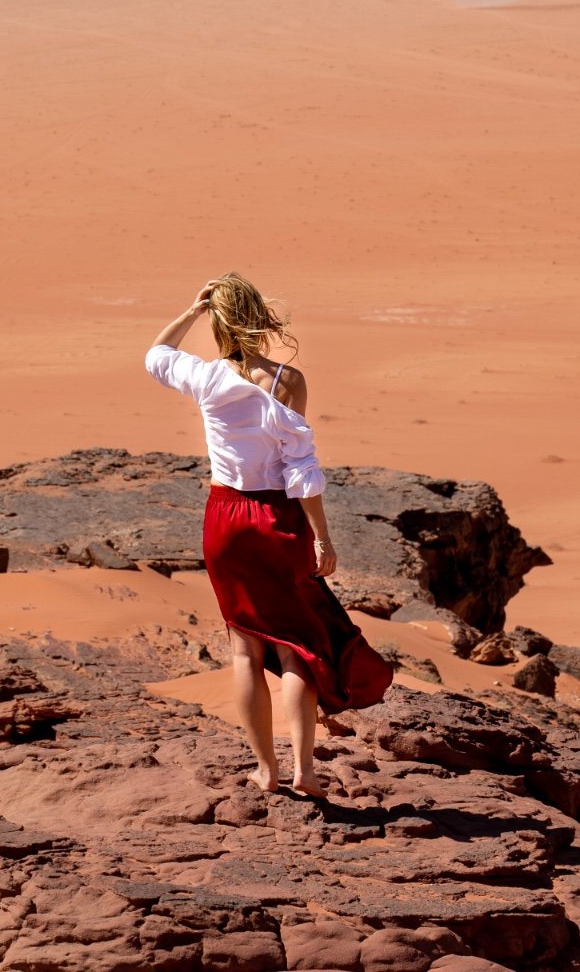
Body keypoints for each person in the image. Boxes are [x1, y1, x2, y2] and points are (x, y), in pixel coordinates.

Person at [144, 271, 393, 798]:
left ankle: (266, 772)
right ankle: (304, 771)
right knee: (296, 647)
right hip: (278, 521)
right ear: (259, 317)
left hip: (225, 521)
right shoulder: (288, 381)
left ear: (220, 321)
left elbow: (156, 355)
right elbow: (300, 466)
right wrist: (321, 536)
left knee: (245, 650)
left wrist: (192, 310)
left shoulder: (207, 378)